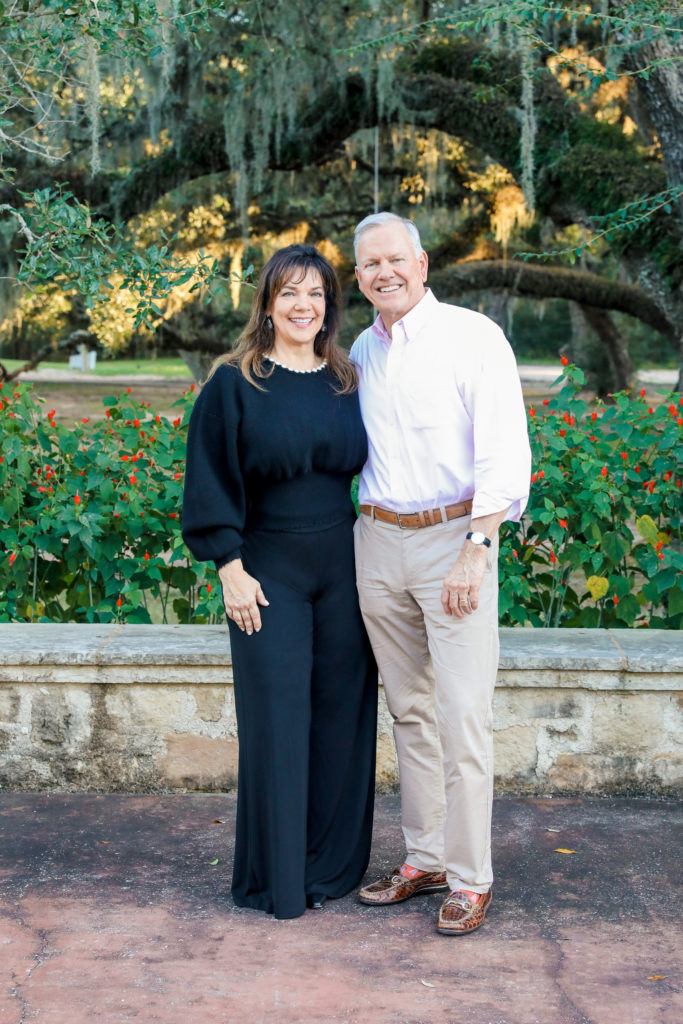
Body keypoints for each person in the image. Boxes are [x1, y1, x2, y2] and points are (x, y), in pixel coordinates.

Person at [182, 244, 377, 920]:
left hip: (346, 571)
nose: (303, 306)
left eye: (316, 295)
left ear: (330, 306)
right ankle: (277, 879)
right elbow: (206, 482)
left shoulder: (348, 378)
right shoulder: (235, 383)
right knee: (276, 722)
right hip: (266, 574)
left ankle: (329, 866)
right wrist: (228, 568)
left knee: (340, 720)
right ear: (266, 302)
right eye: (289, 293)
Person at [350, 212, 530, 935]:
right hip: (377, 539)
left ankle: (469, 877)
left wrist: (477, 545)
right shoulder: (361, 348)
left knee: (461, 715)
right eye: (369, 264)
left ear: (421, 265)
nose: (383, 272)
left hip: (456, 538)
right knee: (409, 712)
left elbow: (505, 451)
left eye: (395, 259)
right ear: (358, 277)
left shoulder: (471, 337)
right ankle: (422, 859)